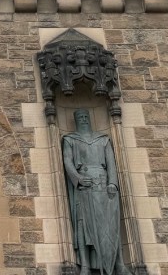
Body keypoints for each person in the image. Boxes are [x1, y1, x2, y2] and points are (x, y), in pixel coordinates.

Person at [62, 109, 130, 275]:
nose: (84, 119)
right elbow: (67, 161)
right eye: (81, 117)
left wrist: (113, 183)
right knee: (82, 225)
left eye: (86, 116)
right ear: (76, 120)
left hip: (103, 186)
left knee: (111, 225)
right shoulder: (70, 140)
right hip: (84, 187)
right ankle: (85, 265)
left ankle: (119, 264)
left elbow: (111, 163)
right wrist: (78, 178)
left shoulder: (103, 140)